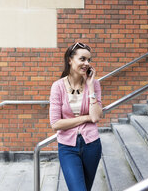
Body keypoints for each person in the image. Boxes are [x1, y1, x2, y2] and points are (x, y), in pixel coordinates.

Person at [49, 42, 103, 191]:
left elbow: (96, 116)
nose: (86, 63)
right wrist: (86, 118)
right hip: (67, 147)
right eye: (82, 59)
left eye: (89, 60)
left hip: (92, 145)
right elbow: (55, 124)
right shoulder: (58, 86)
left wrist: (91, 85)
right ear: (70, 60)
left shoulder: (94, 84)